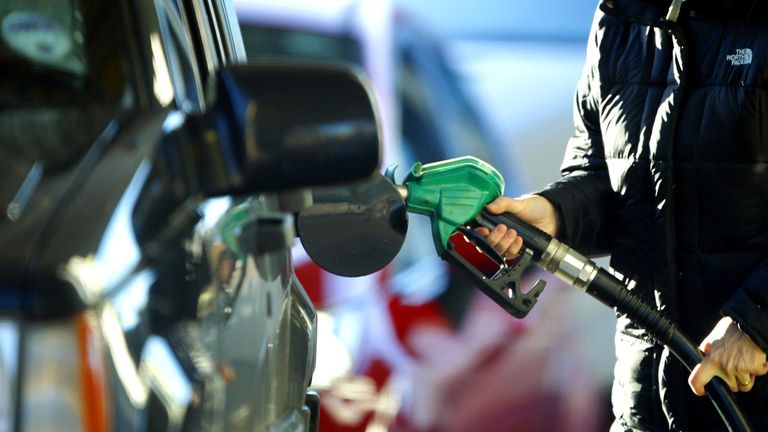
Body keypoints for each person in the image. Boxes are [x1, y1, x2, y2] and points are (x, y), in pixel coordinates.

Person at [478, 0, 768, 430]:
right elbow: (604, 176)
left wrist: (756, 322)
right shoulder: (621, 17)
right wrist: (553, 213)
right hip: (645, 403)